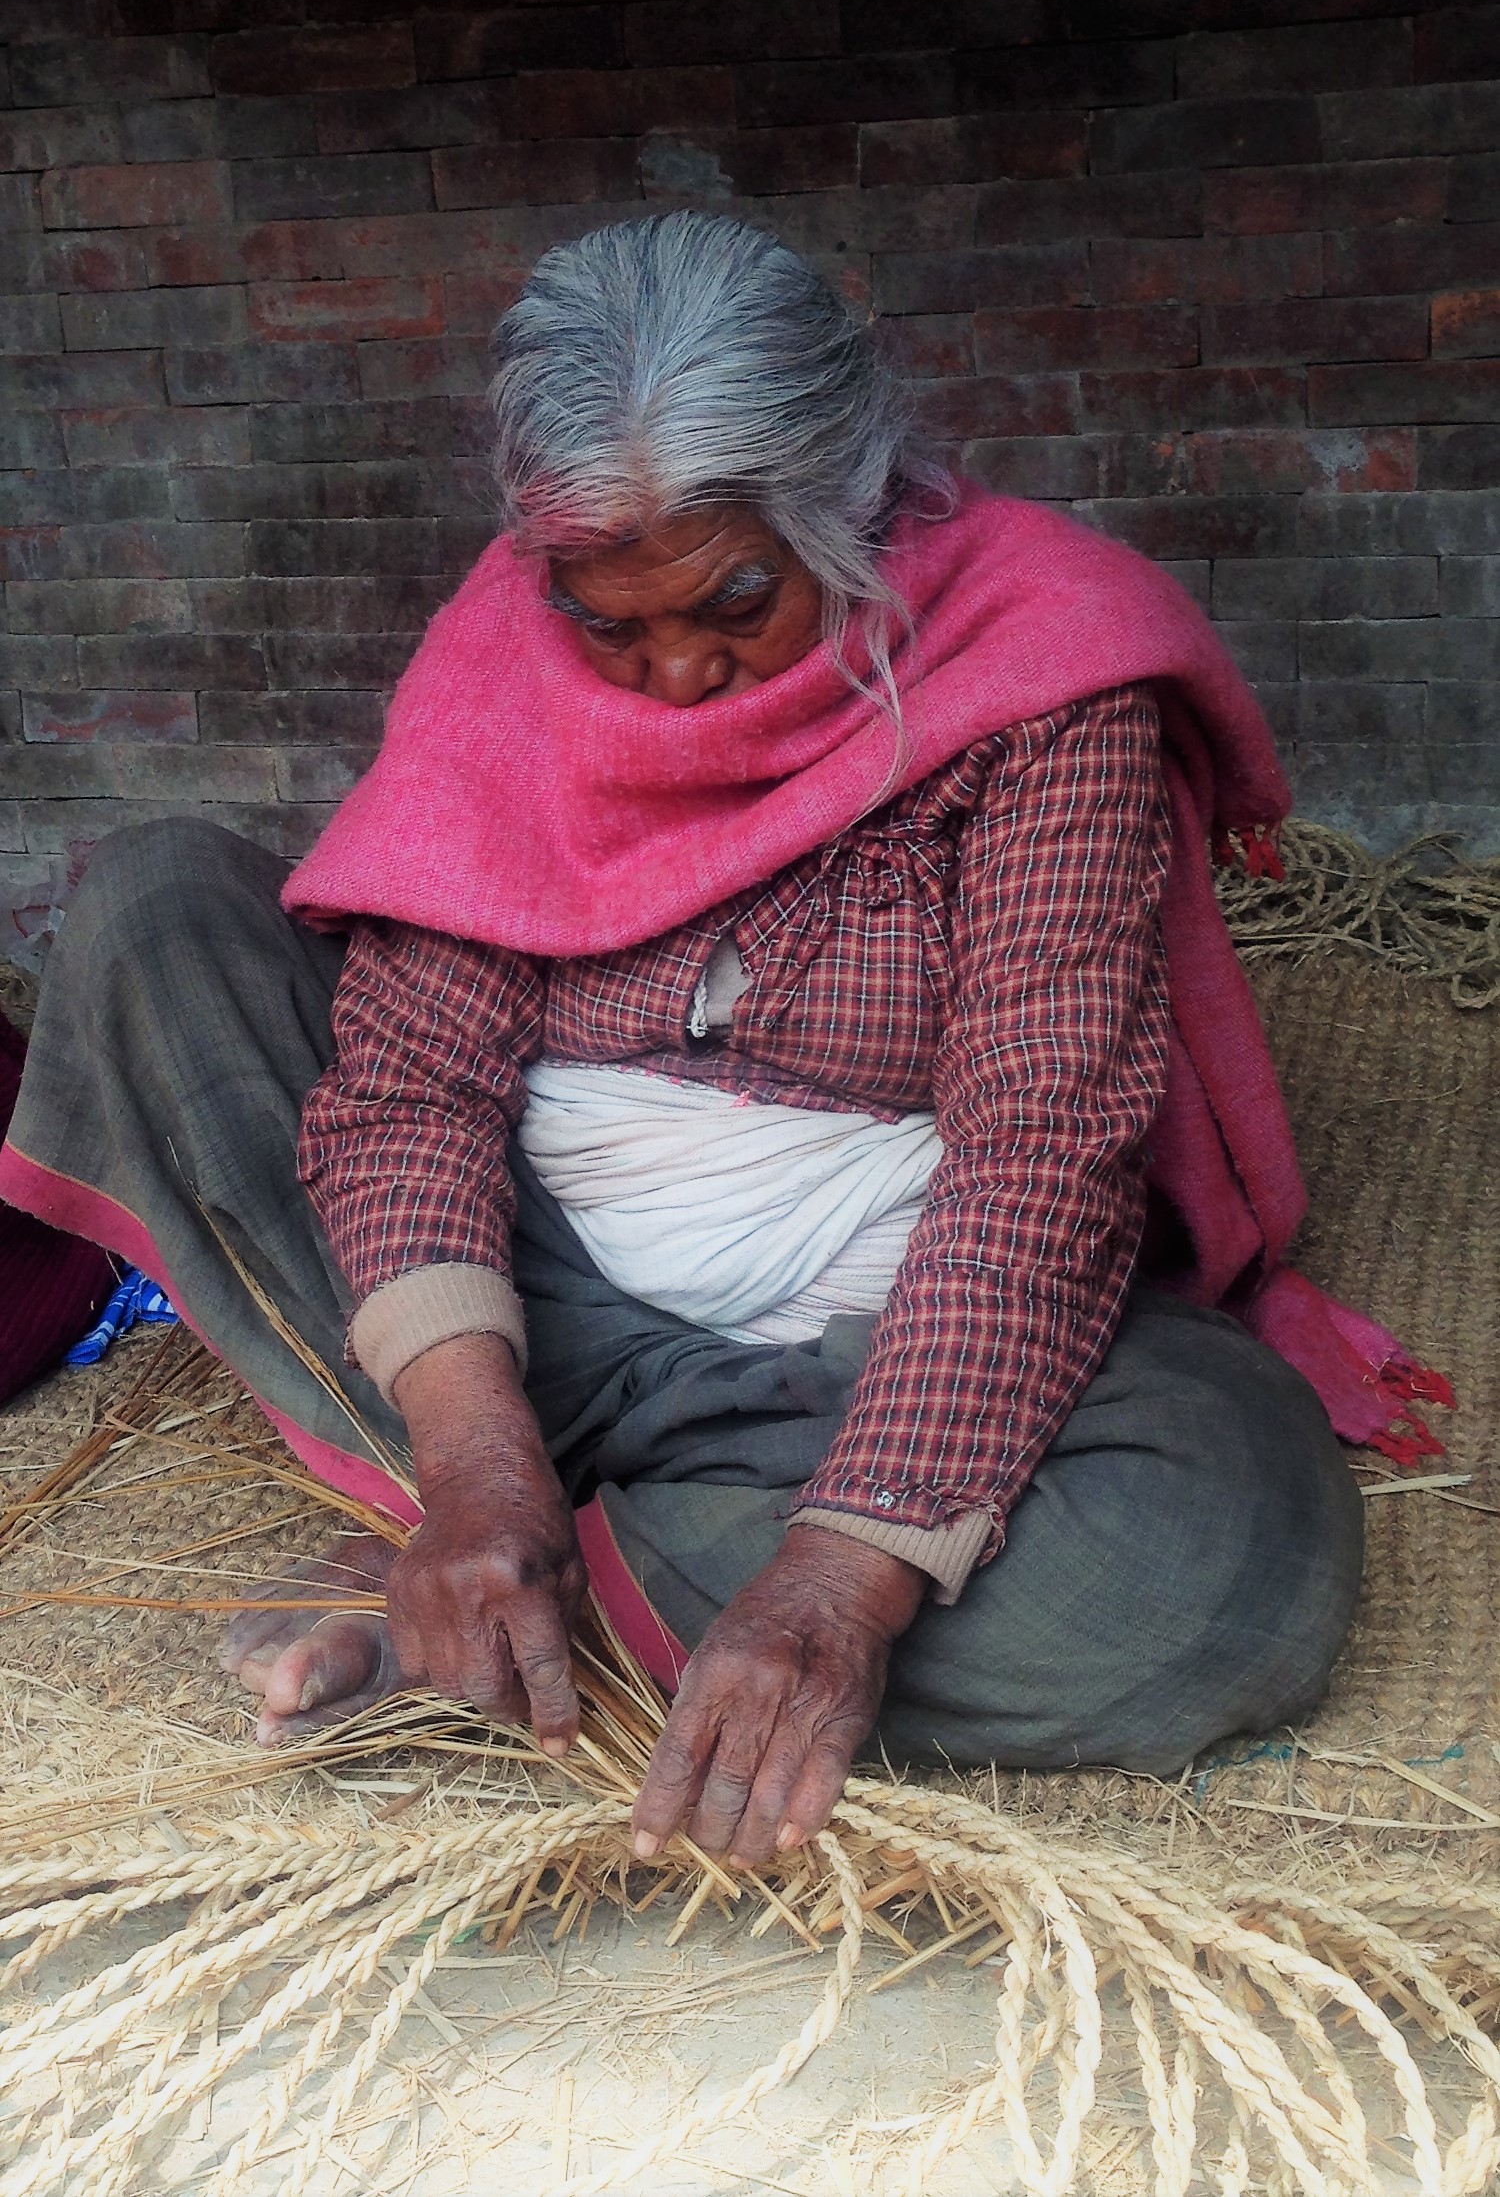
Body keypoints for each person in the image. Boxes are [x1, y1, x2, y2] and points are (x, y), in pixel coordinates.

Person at [1, 212, 1371, 1872]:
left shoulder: (1041, 667)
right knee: (159, 912)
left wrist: (840, 1579)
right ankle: (507, 1540)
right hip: (544, 1298)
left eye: (735, 597)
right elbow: (415, 1088)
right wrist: (479, 1454)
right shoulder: (505, 656)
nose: (673, 671)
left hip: (878, 1337)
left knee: (1230, 1555)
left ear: (851, 503)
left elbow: (1041, 1149)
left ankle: (533, 1605)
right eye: (607, 618)